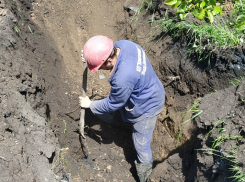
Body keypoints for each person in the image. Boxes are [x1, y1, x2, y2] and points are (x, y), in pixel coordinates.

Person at [79, 35, 165, 182]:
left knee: (141, 146)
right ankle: (118, 121)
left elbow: (113, 103)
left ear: (109, 60)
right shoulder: (124, 45)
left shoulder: (123, 78)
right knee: (120, 111)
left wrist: (91, 104)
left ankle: (146, 176)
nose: (100, 69)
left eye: (100, 66)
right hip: (148, 89)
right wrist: (91, 58)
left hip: (147, 107)